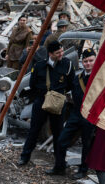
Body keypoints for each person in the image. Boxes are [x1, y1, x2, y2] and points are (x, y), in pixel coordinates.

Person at [18, 40, 76, 168]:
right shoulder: (39, 66)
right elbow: (32, 84)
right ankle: (24, 157)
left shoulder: (68, 64)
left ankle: (60, 163)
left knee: (58, 134)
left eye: (61, 51)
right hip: (41, 101)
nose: (61, 54)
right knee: (34, 131)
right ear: (50, 54)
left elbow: (72, 83)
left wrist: (59, 94)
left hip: (58, 103)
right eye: (58, 52)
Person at [53, 48, 97, 178]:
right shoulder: (78, 77)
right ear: (82, 62)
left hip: (90, 116)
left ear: (95, 61)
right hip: (76, 114)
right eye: (85, 61)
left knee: (86, 144)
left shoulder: (99, 79)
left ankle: (83, 170)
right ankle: (60, 166)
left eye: (91, 61)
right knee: (61, 141)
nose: (88, 64)